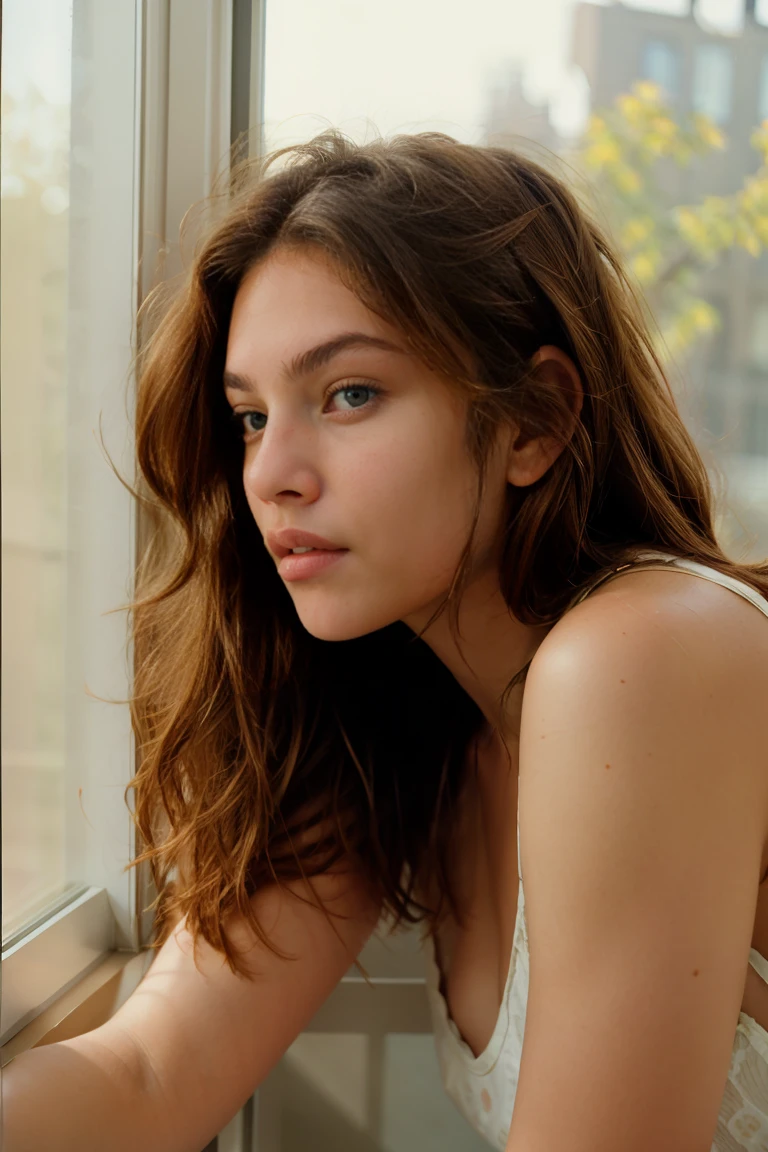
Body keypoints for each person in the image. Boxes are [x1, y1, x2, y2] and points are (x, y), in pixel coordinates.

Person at [5, 129, 768, 1152]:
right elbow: (149, 1074)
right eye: (248, 416)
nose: (273, 472)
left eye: (350, 394)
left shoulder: (645, 654)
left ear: (536, 420)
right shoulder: (414, 733)